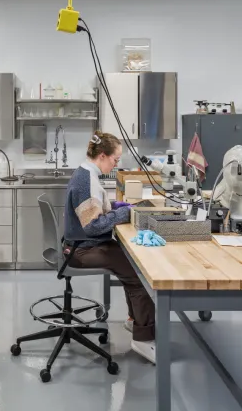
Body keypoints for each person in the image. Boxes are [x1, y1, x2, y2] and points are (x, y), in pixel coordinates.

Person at [64, 131, 157, 364]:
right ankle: (143, 338)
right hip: (81, 250)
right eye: (115, 160)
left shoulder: (87, 174)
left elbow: (96, 209)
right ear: (103, 156)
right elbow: (93, 226)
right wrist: (123, 212)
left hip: (82, 244)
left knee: (130, 265)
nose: (116, 164)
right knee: (140, 272)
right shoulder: (86, 180)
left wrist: (116, 206)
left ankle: (135, 320)